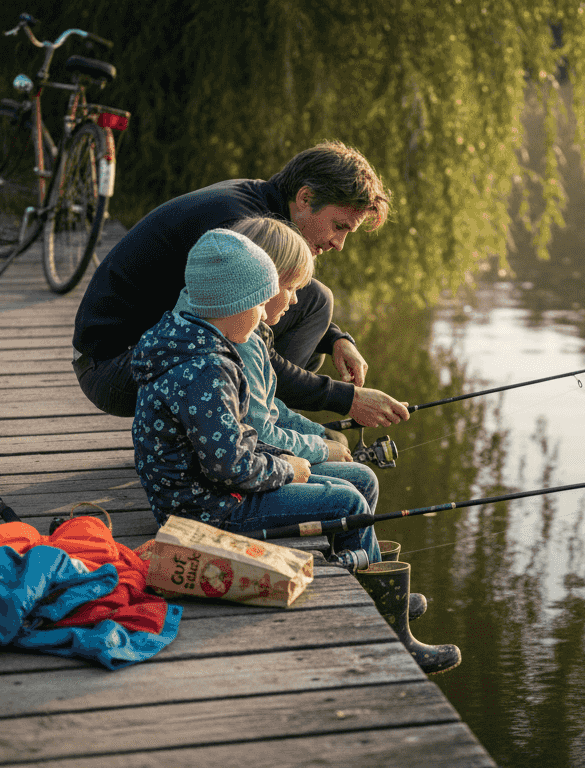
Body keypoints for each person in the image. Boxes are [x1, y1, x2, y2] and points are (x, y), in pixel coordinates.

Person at [74, 140, 410, 430]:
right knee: (268, 339)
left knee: (314, 302)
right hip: (111, 366)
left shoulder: (260, 202)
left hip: (146, 350)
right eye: (339, 226)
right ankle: (257, 432)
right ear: (306, 198)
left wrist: (336, 340)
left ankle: (259, 422)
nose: (339, 244)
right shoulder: (241, 228)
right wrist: (347, 399)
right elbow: (254, 352)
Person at [131, 227, 380, 560]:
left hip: (207, 495)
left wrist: (285, 458)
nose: (264, 314)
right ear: (235, 305)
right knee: (347, 502)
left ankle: (355, 567)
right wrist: (287, 469)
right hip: (208, 511)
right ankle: (369, 581)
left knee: (356, 485)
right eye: (260, 303)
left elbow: (231, 440)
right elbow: (231, 466)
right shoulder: (207, 370)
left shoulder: (192, 343)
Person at [187, 216, 380, 514]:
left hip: (234, 474)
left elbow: (266, 407)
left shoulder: (224, 329)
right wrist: (311, 453)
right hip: (221, 496)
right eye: (290, 287)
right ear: (259, 284)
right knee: (353, 495)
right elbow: (255, 434)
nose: (295, 300)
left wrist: (316, 434)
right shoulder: (239, 343)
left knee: (358, 479)